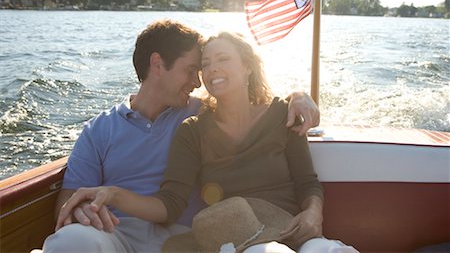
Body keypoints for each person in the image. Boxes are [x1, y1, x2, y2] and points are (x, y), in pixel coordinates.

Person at [55, 31, 357, 252]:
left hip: (191, 237)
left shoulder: (197, 109)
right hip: (115, 233)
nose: (201, 80)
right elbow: (68, 203)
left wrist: (298, 96)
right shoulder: (100, 130)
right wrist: (81, 212)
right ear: (157, 64)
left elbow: (250, 104)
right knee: (72, 241)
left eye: (219, 62)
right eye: (195, 69)